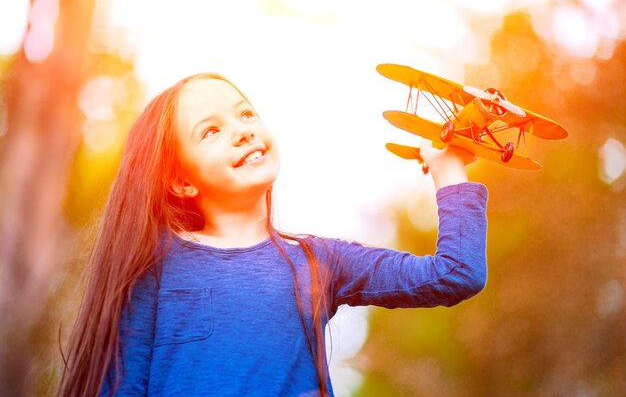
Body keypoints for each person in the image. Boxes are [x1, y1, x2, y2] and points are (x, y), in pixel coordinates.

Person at [57, 73, 488, 397]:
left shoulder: (320, 262)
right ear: (180, 181)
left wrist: (448, 168)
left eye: (246, 113)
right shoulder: (151, 269)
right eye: (211, 131)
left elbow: (456, 273)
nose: (242, 129)